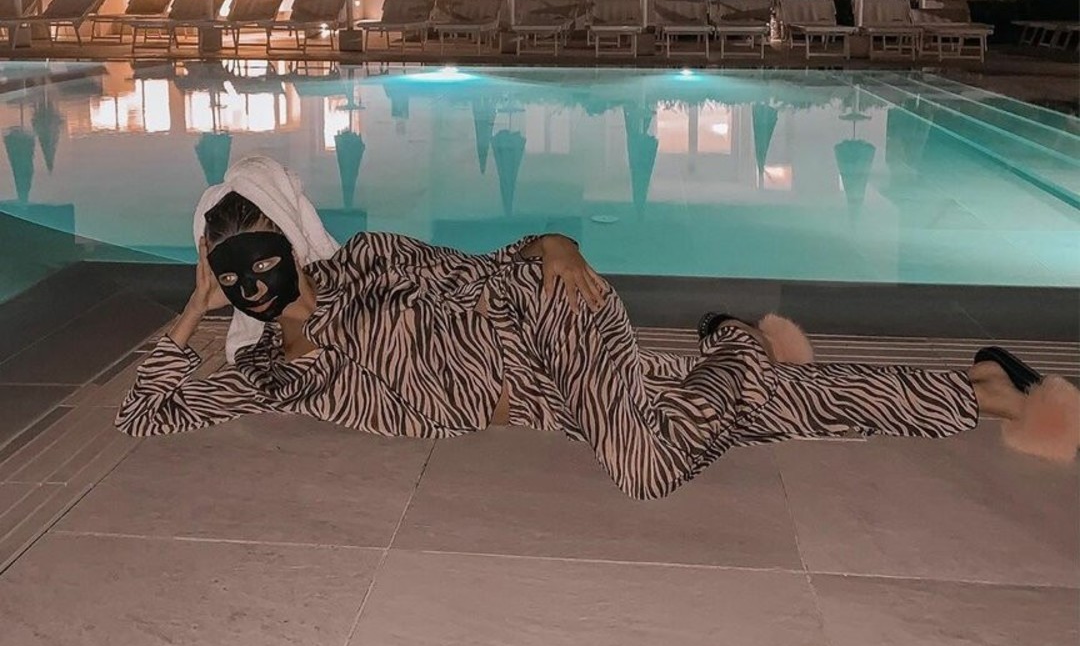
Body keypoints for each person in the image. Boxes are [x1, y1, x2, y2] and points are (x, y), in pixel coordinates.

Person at [116, 190, 1079, 500]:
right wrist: (193, 310)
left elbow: (481, 268)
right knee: (770, 414)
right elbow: (145, 413)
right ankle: (977, 387)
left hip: (549, 313)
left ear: (289, 235)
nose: (250, 279)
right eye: (228, 270)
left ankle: (740, 350)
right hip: (542, 397)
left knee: (646, 465)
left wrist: (553, 241)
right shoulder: (265, 369)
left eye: (258, 253)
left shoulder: (370, 260)